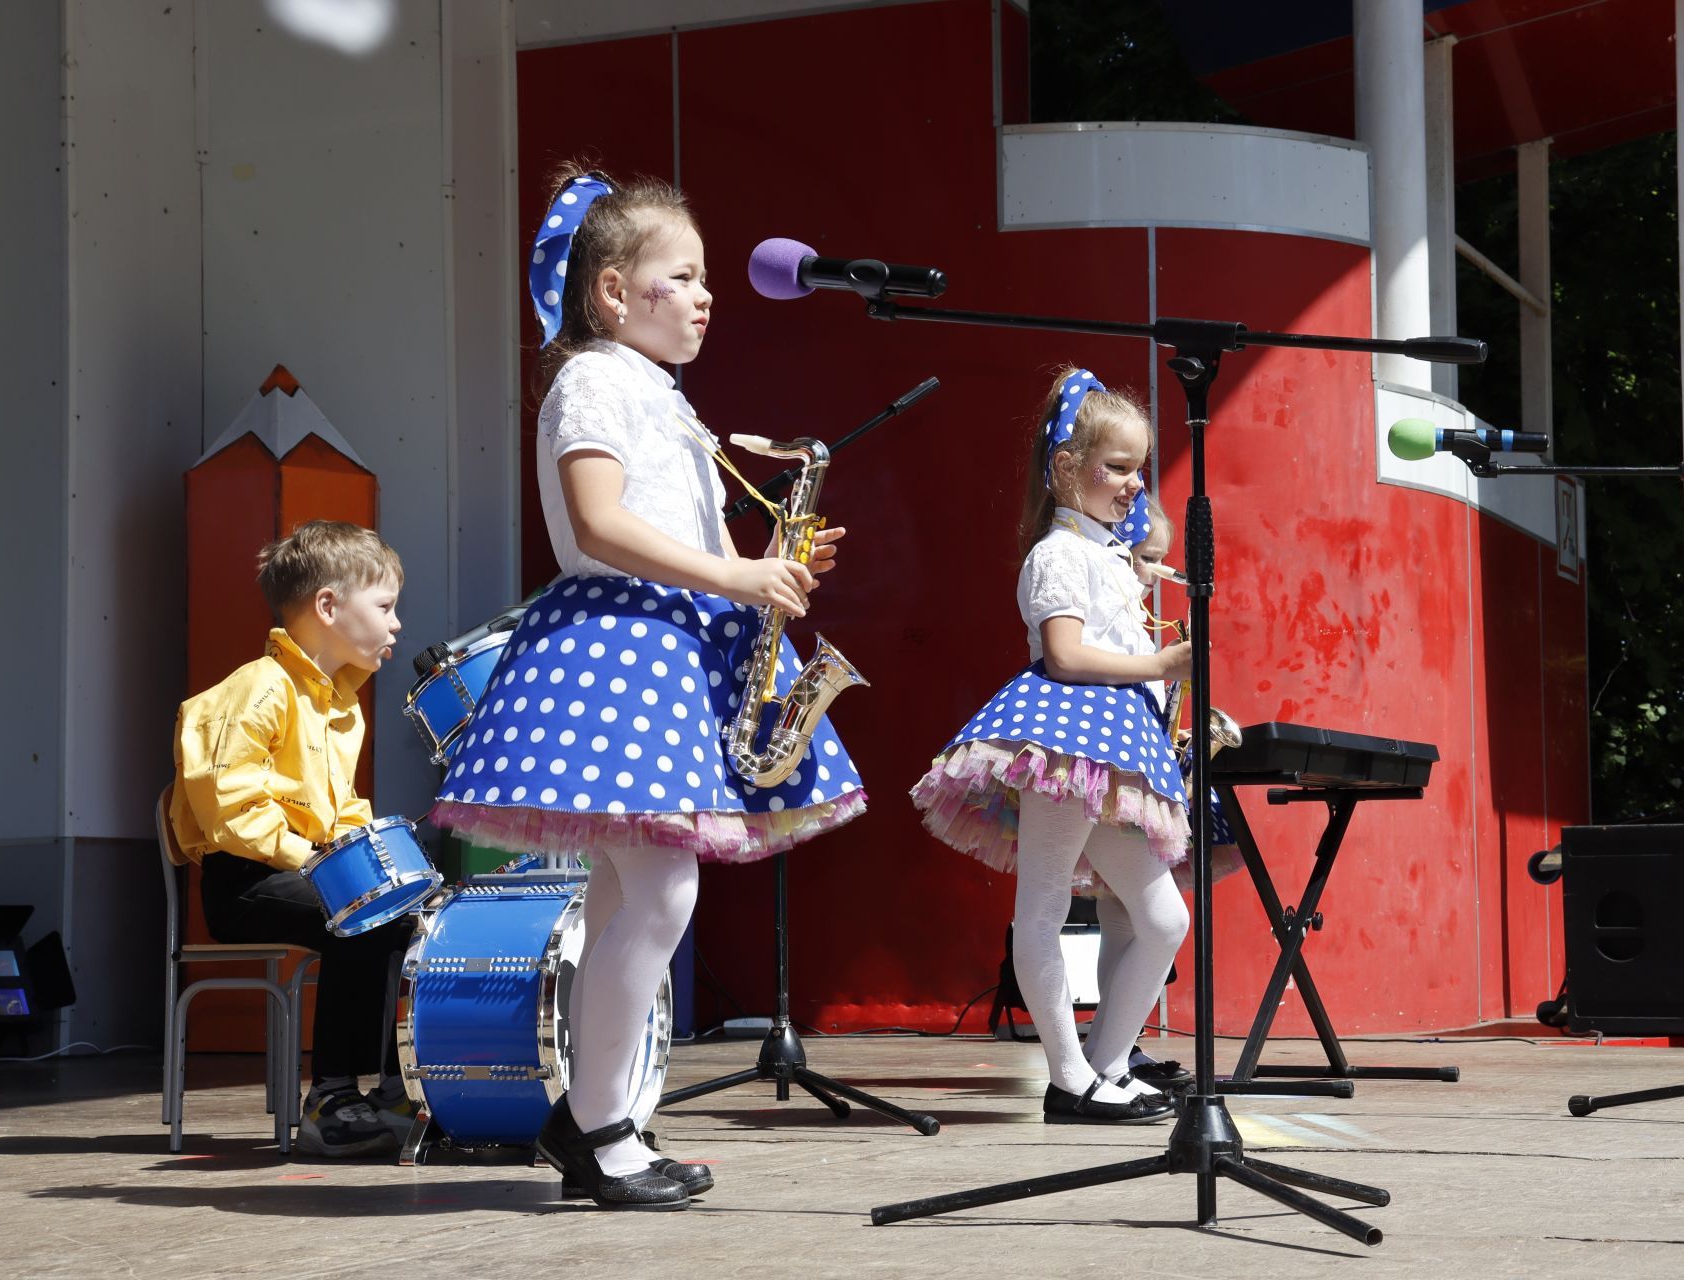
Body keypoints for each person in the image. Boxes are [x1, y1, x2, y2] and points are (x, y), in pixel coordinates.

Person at [430, 166, 865, 1210]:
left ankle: (598, 1119)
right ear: (617, 292)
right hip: (620, 648)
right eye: (687, 275)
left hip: (667, 647)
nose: (708, 295)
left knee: (634, 891)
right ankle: (600, 1126)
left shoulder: (660, 397)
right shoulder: (593, 381)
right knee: (660, 888)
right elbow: (599, 525)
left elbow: (674, 532)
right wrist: (737, 572)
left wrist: (771, 565)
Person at [912, 367, 1192, 1125]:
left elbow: (1131, 565)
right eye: (1120, 468)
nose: (1135, 485)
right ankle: (1070, 1077)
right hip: (1065, 744)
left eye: (1141, 468)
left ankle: (1100, 1068)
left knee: (1165, 919)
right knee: (1041, 907)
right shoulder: (1057, 555)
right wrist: (1158, 665)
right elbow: (1065, 655)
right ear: (1067, 468)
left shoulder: (1104, 554)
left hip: (1108, 751)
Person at [170, 519, 412, 1158]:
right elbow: (230, 807)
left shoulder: (340, 704)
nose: (395, 625)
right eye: (385, 607)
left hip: (308, 871)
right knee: (359, 917)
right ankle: (333, 1096)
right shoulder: (256, 689)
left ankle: (392, 1086)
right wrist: (322, 865)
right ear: (328, 606)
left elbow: (341, 810)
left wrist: (375, 864)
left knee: (401, 915)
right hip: (246, 881)